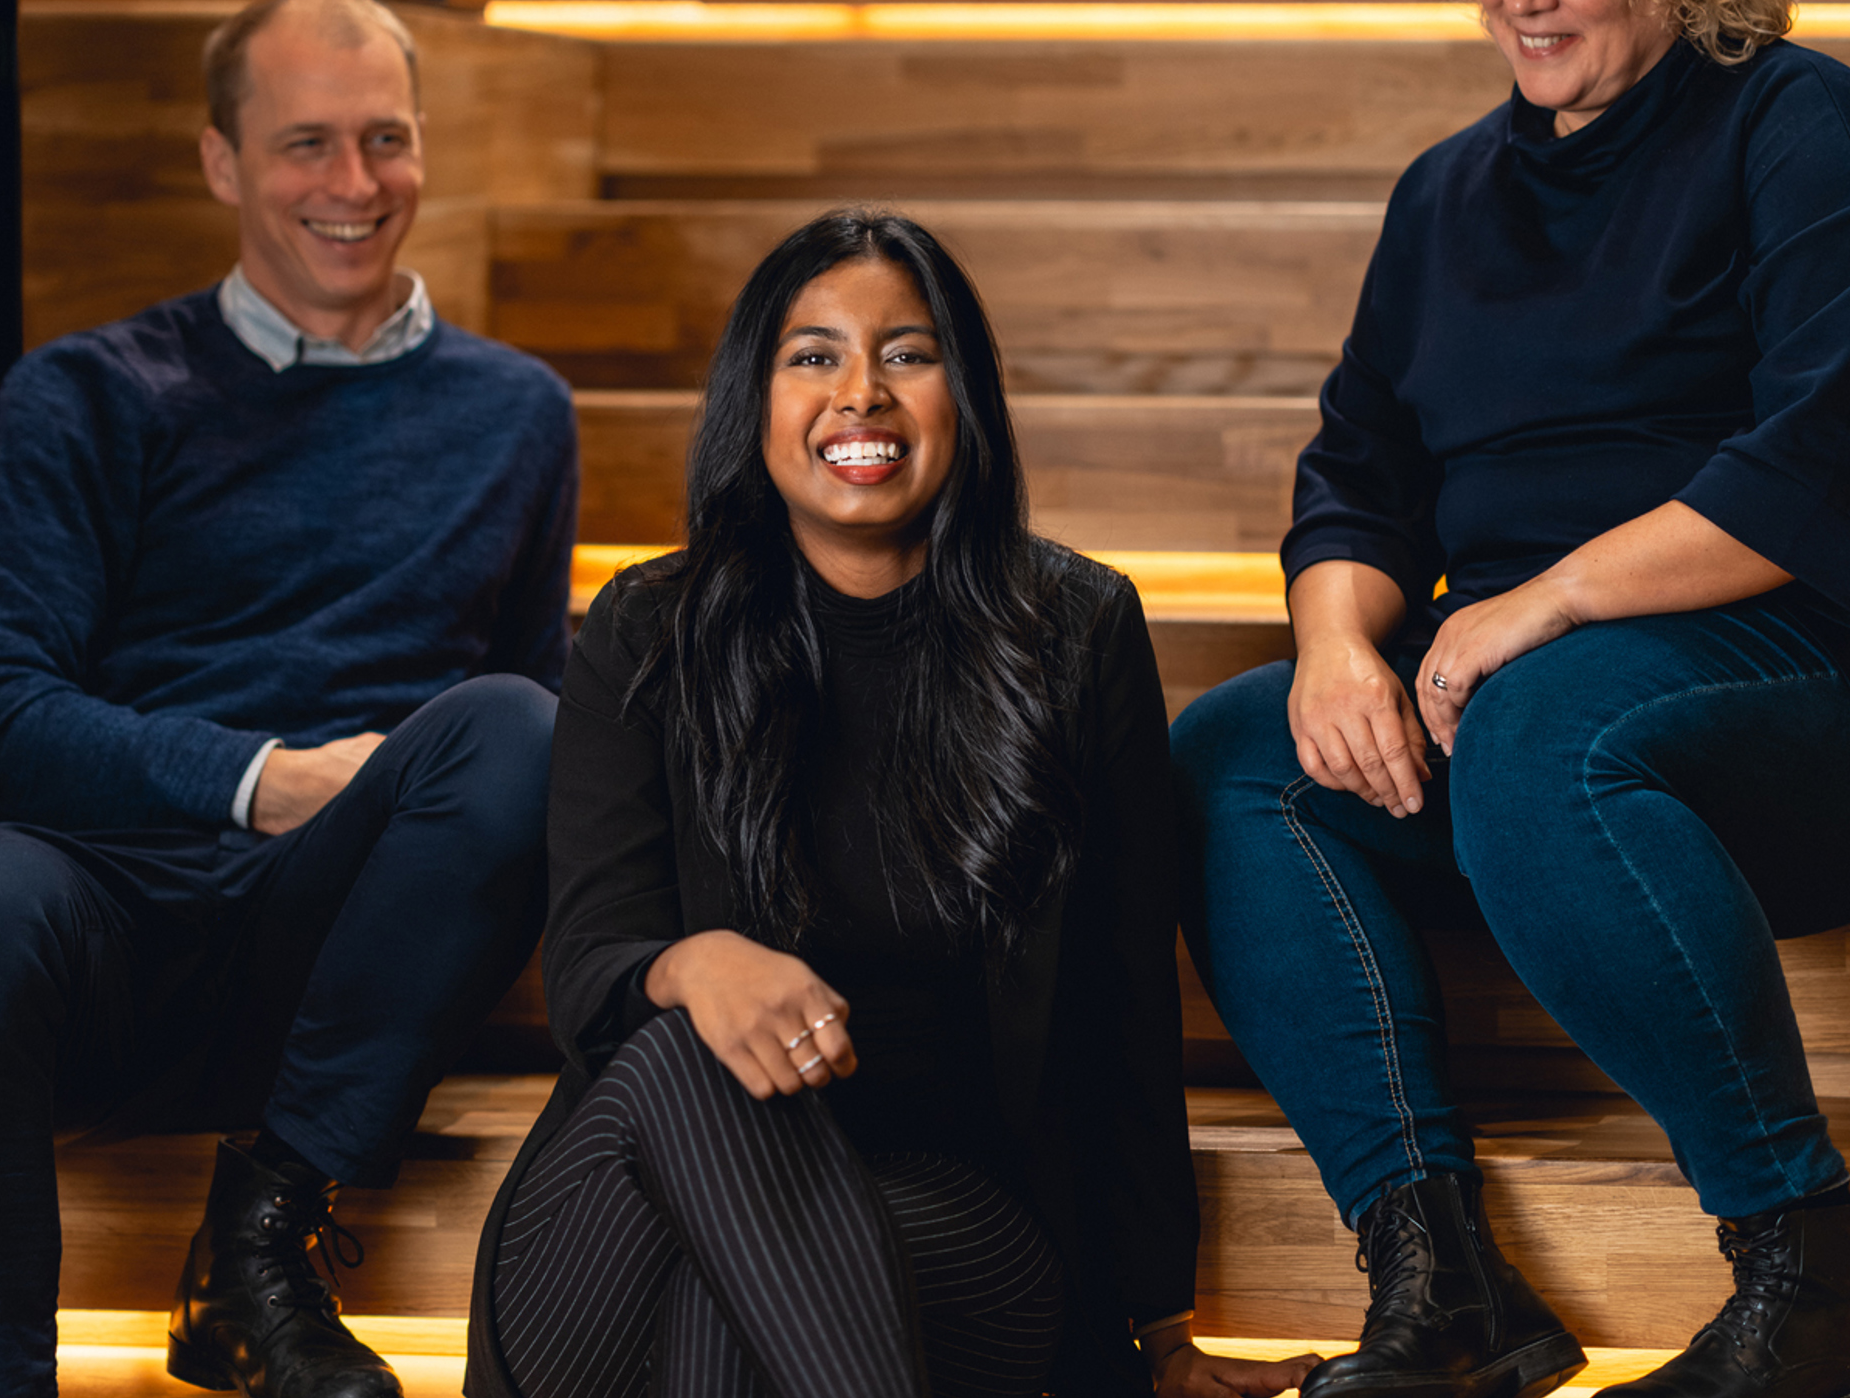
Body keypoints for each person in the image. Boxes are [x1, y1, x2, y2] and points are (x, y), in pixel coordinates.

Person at [1172, 0, 1850, 1398]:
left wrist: (1545, 600)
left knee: (1541, 719)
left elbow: (1819, 471)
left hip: (1808, 688)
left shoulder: (1807, 128)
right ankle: (1443, 1283)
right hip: (1528, 706)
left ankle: (1813, 1271)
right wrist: (1338, 647)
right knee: (1232, 753)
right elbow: (1357, 479)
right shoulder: (1447, 195)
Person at [462, 209, 1321, 1398]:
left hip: (950, 1216)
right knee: (689, 1062)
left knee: (731, 1295)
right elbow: (591, 970)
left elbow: (1121, 1003)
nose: (859, 393)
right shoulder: (650, 629)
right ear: (753, 399)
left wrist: (1159, 1324)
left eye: (906, 354)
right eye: (812, 356)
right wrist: (696, 966)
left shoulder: (1073, 632)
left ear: (963, 398)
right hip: (617, 1229)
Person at [0, 0, 579, 1398]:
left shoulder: (517, 411)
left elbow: (539, 727)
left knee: (521, 726)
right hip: (104, 916)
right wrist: (260, 777)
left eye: (385, 138)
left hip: (345, 946)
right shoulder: (89, 392)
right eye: (305, 144)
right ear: (222, 162)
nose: (354, 184)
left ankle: (256, 1247)